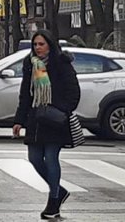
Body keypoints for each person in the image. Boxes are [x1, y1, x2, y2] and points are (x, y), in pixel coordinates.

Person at [13, 29, 80, 220]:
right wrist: (19, 120)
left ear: (50, 44)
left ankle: (53, 202)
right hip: (35, 118)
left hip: (55, 119)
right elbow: (25, 93)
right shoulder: (30, 63)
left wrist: (61, 110)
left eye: (41, 44)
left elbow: (73, 91)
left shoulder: (62, 63)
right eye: (35, 45)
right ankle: (59, 191)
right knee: (34, 158)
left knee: (51, 158)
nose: (38, 48)